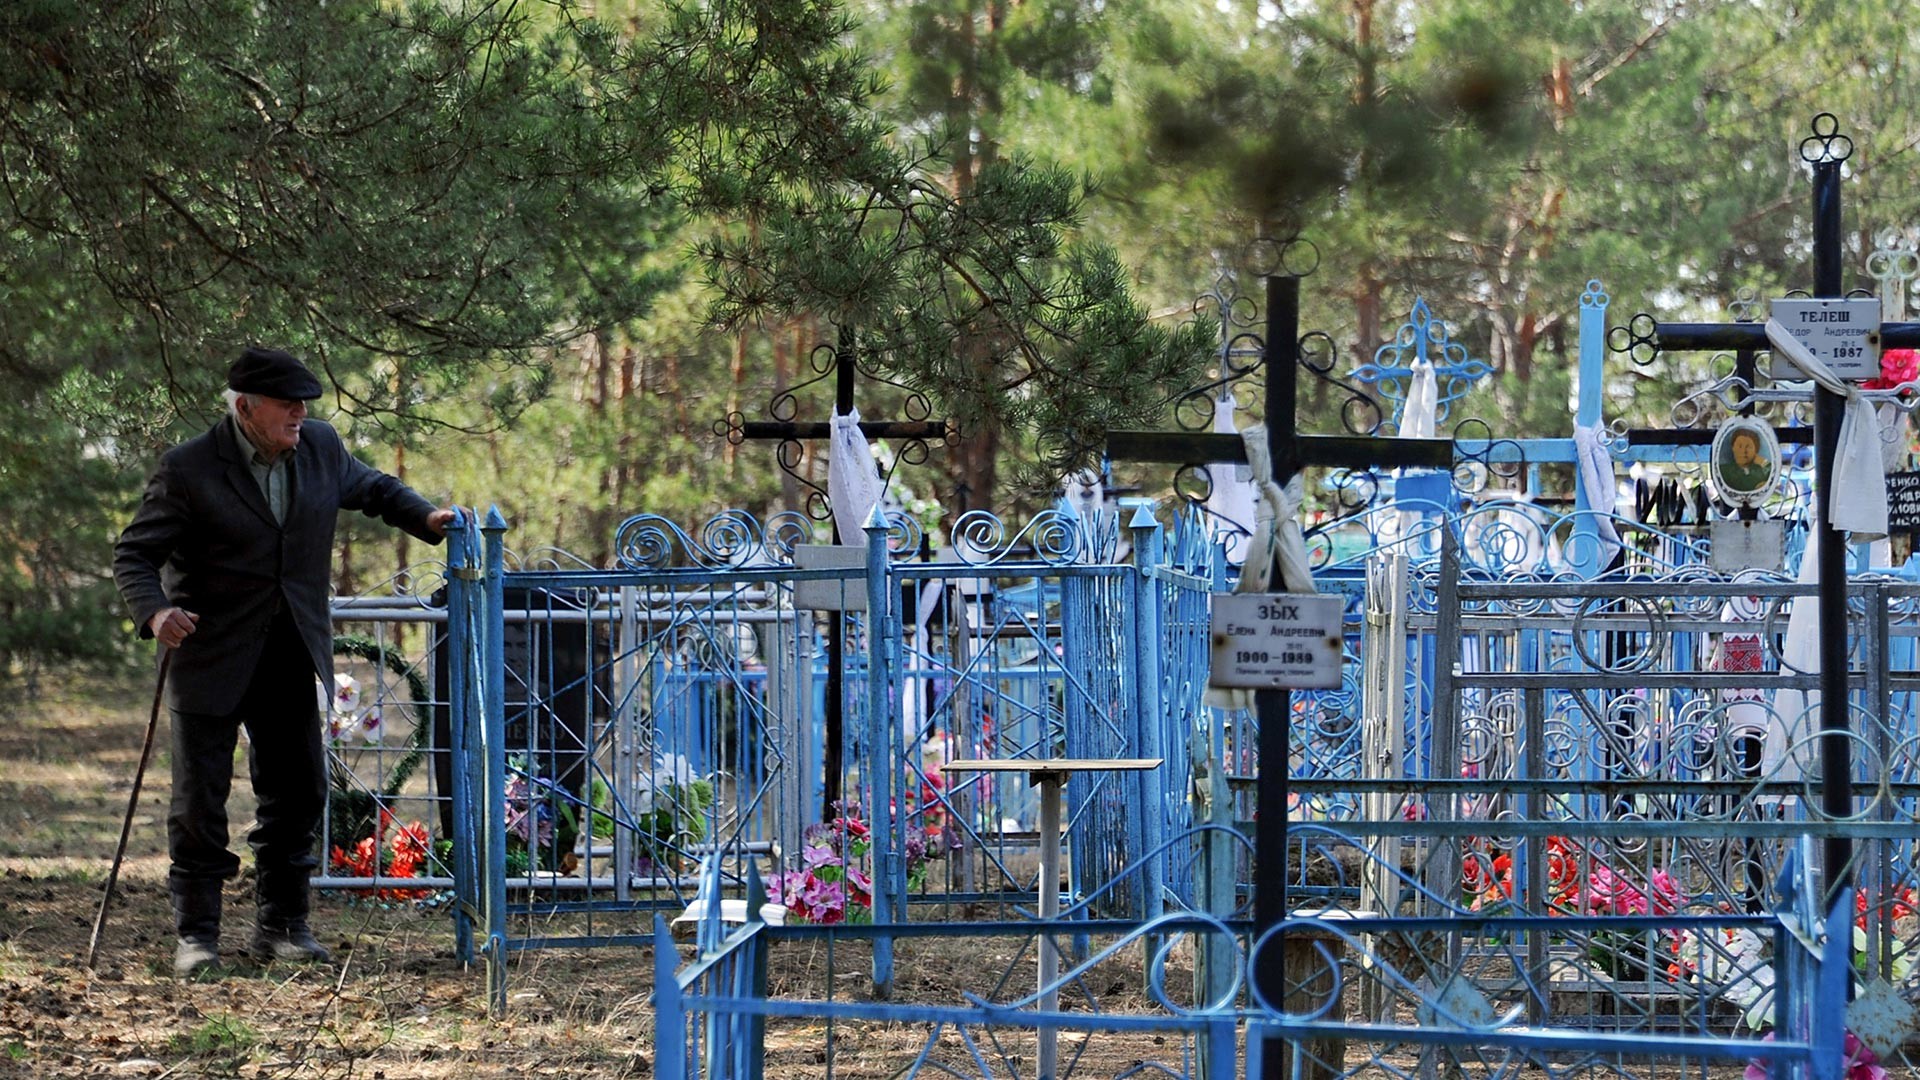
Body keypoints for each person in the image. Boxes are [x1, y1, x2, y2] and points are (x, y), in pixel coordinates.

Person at [113, 347, 458, 977]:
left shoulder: (321, 447)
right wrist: (157, 612)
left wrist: (427, 517)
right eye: (287, 403)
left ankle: (283, 928)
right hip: (209, 654)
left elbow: (374, 489)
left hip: (291, 651)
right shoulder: (188, 467)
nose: (301, 412)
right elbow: (134, 555)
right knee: (199, 805)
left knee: (298, 792)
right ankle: (197, 937)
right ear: (246, 408)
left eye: (304, 403)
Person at [1719, 428, 1772, 493]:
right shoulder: (1724, 470)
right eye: (1740, 446)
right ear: (1733, 448)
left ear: (1756, 450)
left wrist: (1763, 462)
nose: (1743, 451)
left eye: (1749, 447)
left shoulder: (1761, 470)